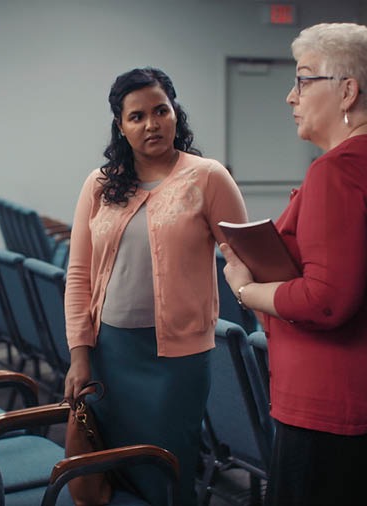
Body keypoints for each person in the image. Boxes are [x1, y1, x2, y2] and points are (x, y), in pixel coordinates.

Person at [220, 23, 367, 506]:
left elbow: (328, 300)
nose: (290, 97)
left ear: (347, 92)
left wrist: (244, 288)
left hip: (339, 405)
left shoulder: (339, 171)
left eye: (303, 79)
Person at [63, 67, 247, 506]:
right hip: (111, 354)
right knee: (116, 468)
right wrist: (80, 354)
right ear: (121, 126)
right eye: (137, 116)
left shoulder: (207, 177)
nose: (152, 124)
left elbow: (245, 256)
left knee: (167, 468)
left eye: (161, 110)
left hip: (178, 361)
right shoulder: (100, 184)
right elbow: (79, 274)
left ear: (175, 114)